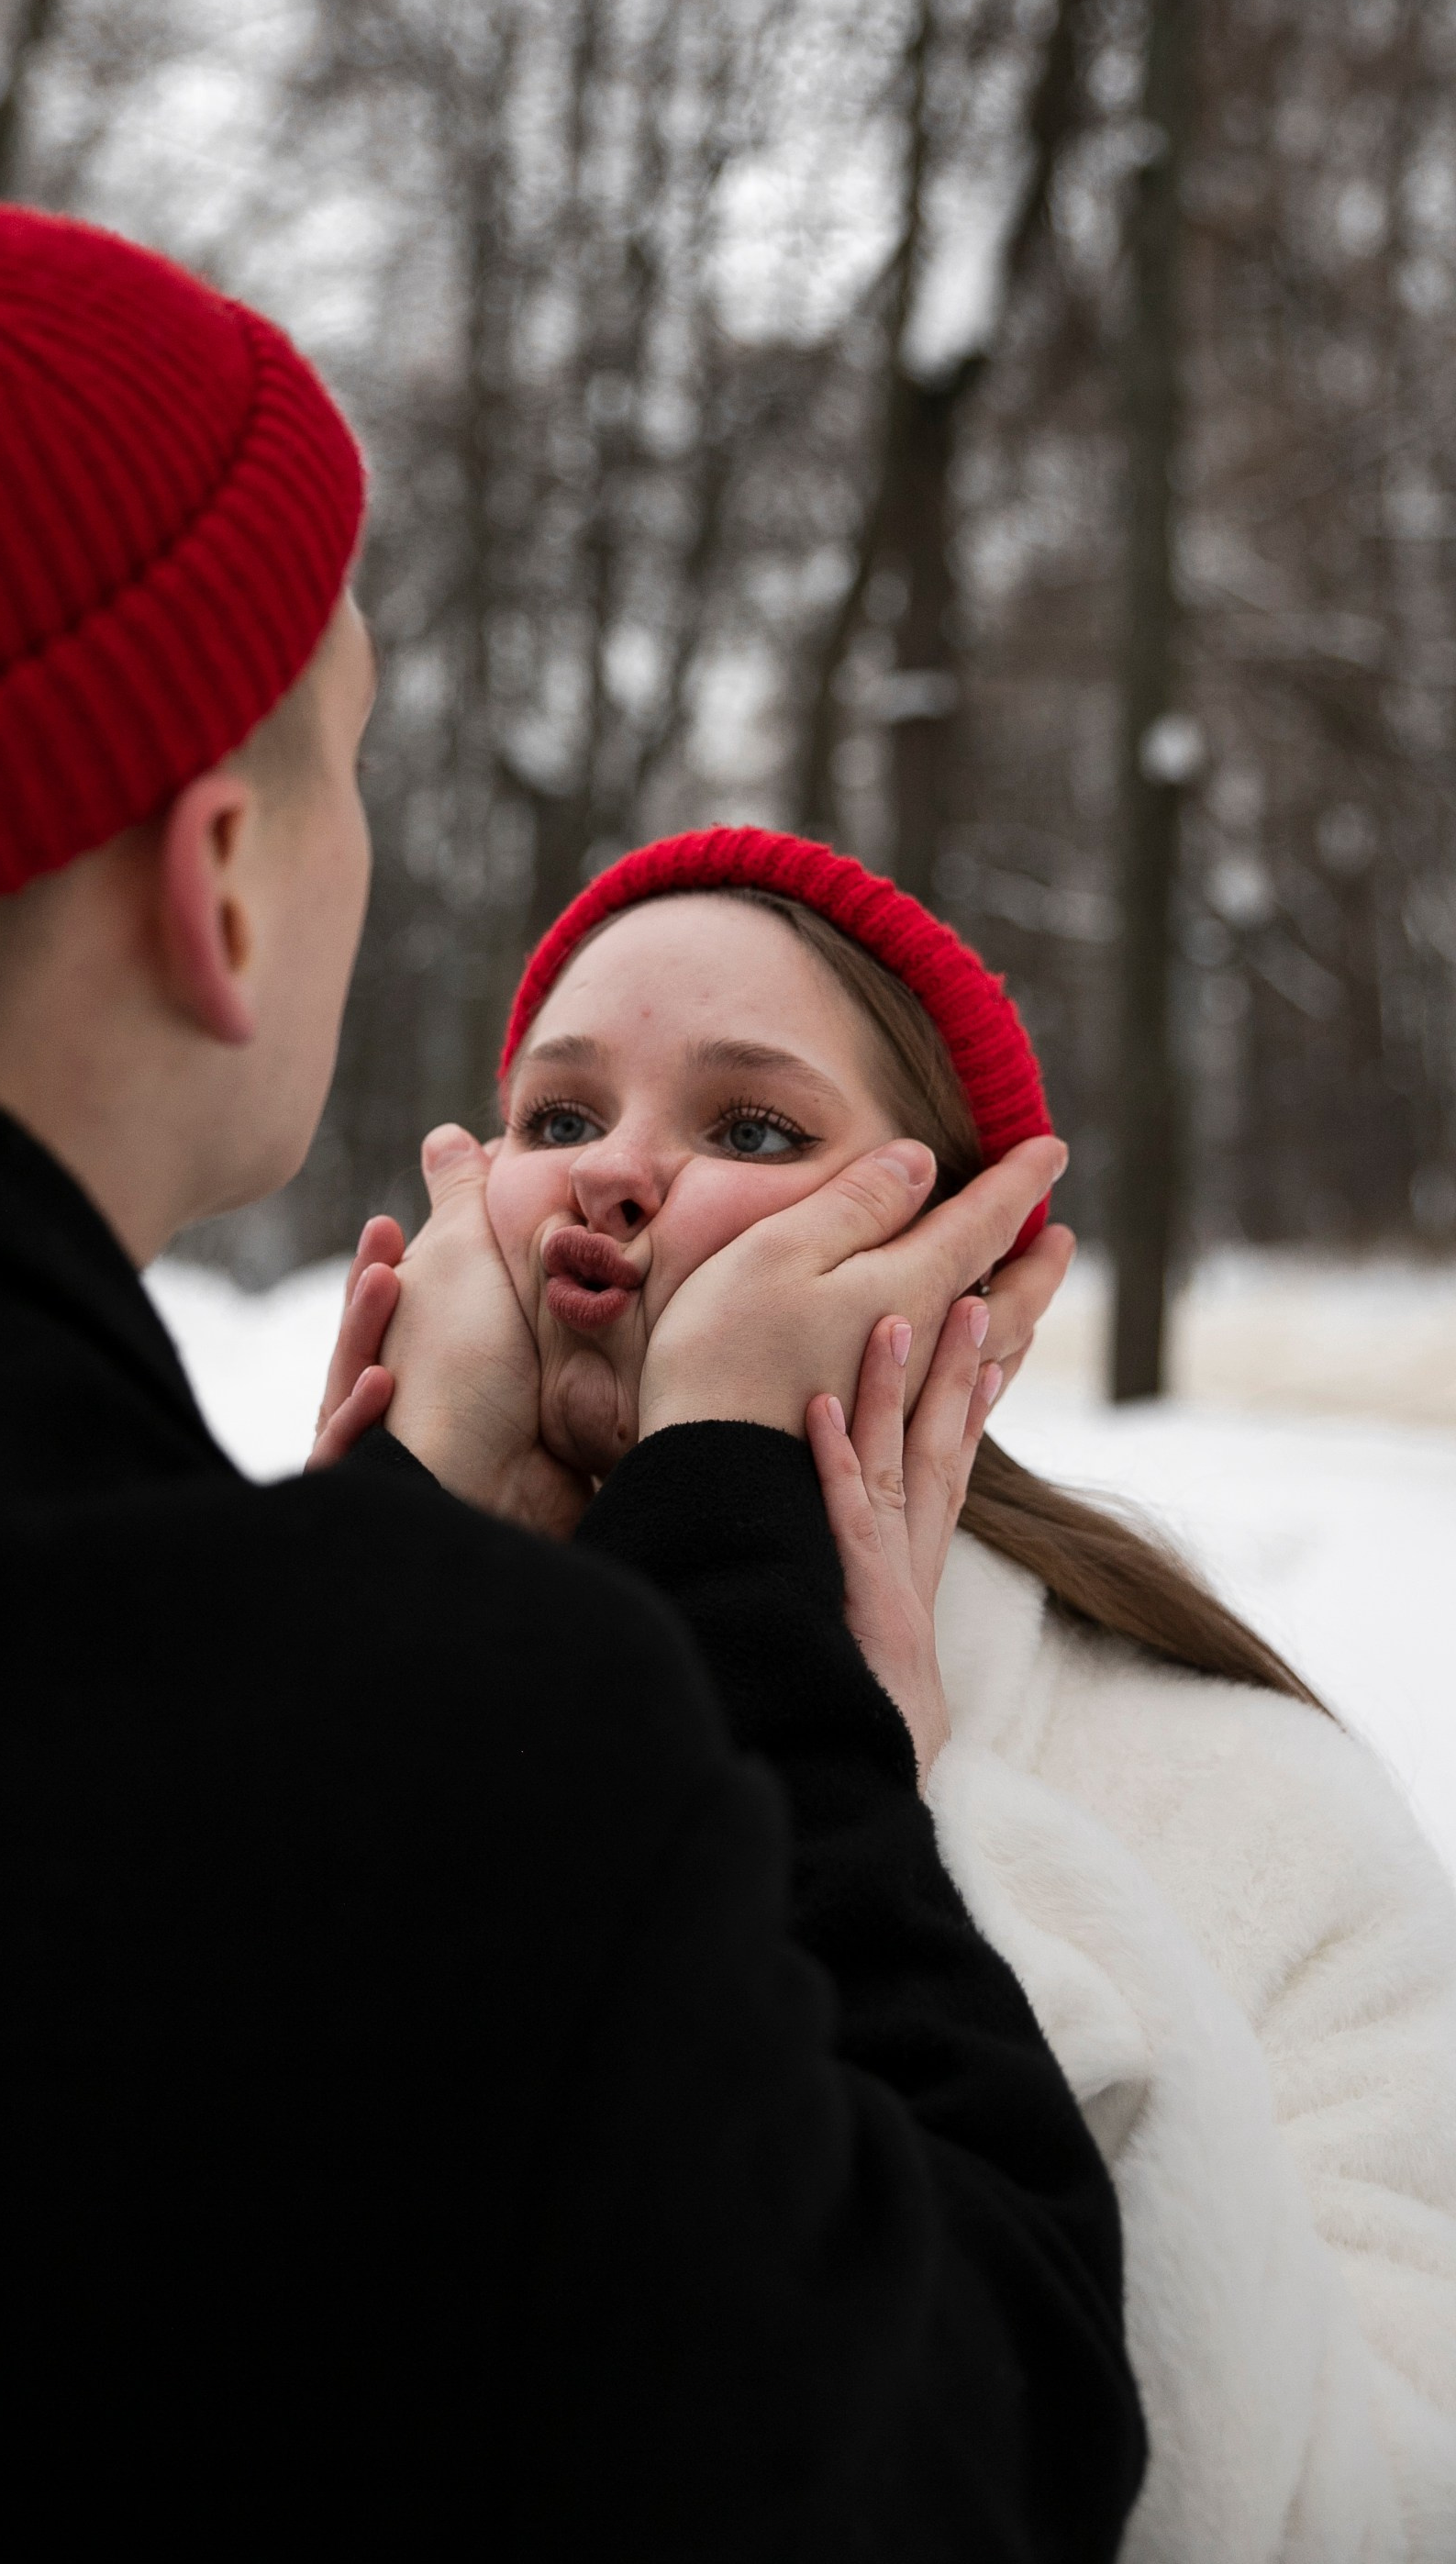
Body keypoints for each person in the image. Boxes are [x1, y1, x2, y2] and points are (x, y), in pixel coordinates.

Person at [0, 198, 1144, 2549]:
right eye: (346, 756)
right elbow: (966, 2433)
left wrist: (396, 1542)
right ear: (215, 884)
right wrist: (734, 1601)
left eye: (750, 1128)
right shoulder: (411, 1749)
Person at [336, 824, 1456, 2561]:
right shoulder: (343, 1661)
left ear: (966, 1282)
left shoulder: (1249, 1802)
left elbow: (1364, 2507)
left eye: (752, 1127)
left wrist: (919, 1814)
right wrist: (352, 1607)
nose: (609, 1179)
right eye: (559, 1117)